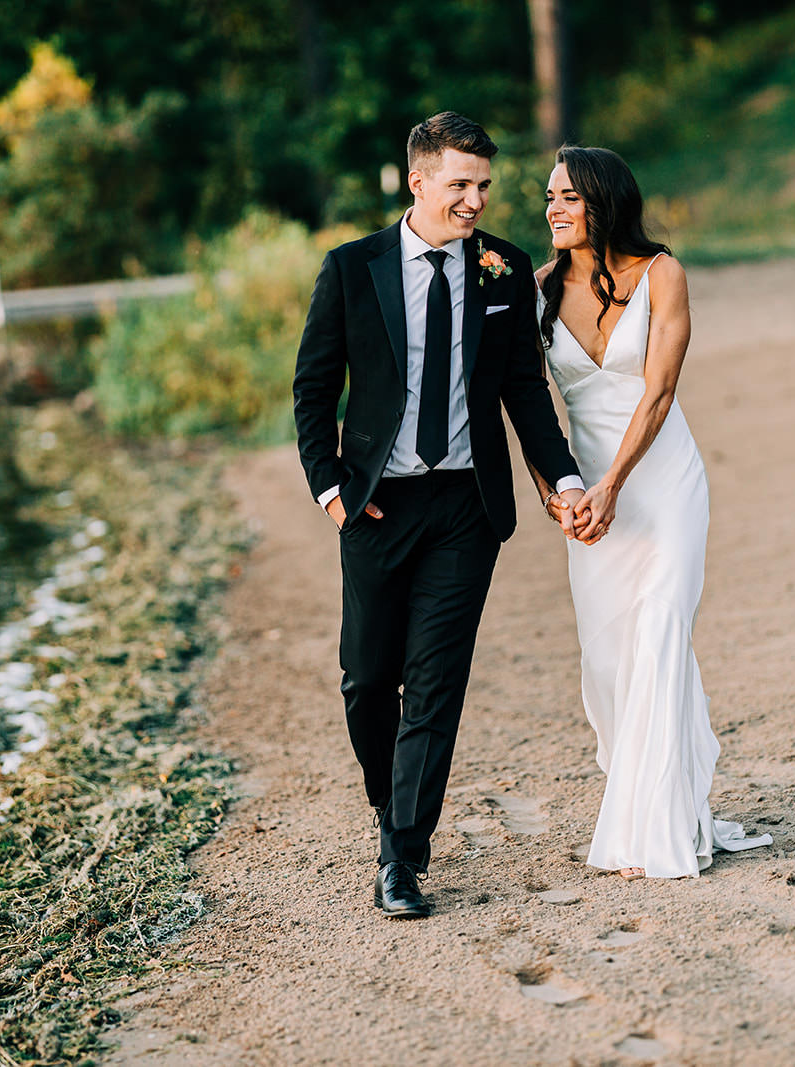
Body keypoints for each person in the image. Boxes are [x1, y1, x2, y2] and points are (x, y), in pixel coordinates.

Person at [293, 112, 586, 918]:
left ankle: (402, 855)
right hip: (377, 505)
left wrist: (561, 476)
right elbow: (314, 390)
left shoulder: (504, 271)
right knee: (365, 679)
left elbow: (524, 390)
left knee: (434, 683)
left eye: (484, 186)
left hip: (466, 503)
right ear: (418, 181)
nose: (474, 201)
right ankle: (392, 808)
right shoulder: (352, 270)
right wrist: (333, 491)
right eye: (460, 184)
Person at [528, 145, 773, 880]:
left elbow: (658, 393)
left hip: (661, 484)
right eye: (548, 198)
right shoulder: (537, 290)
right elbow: (529, 402)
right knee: (609, 660)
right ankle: (656, 795)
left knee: (660, 632)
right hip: (588, 498)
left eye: (568, 197)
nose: (553, 210)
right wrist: (559, 490)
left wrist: (615, 485)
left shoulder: (662, 274)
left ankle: (657, 829)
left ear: (604, 201)